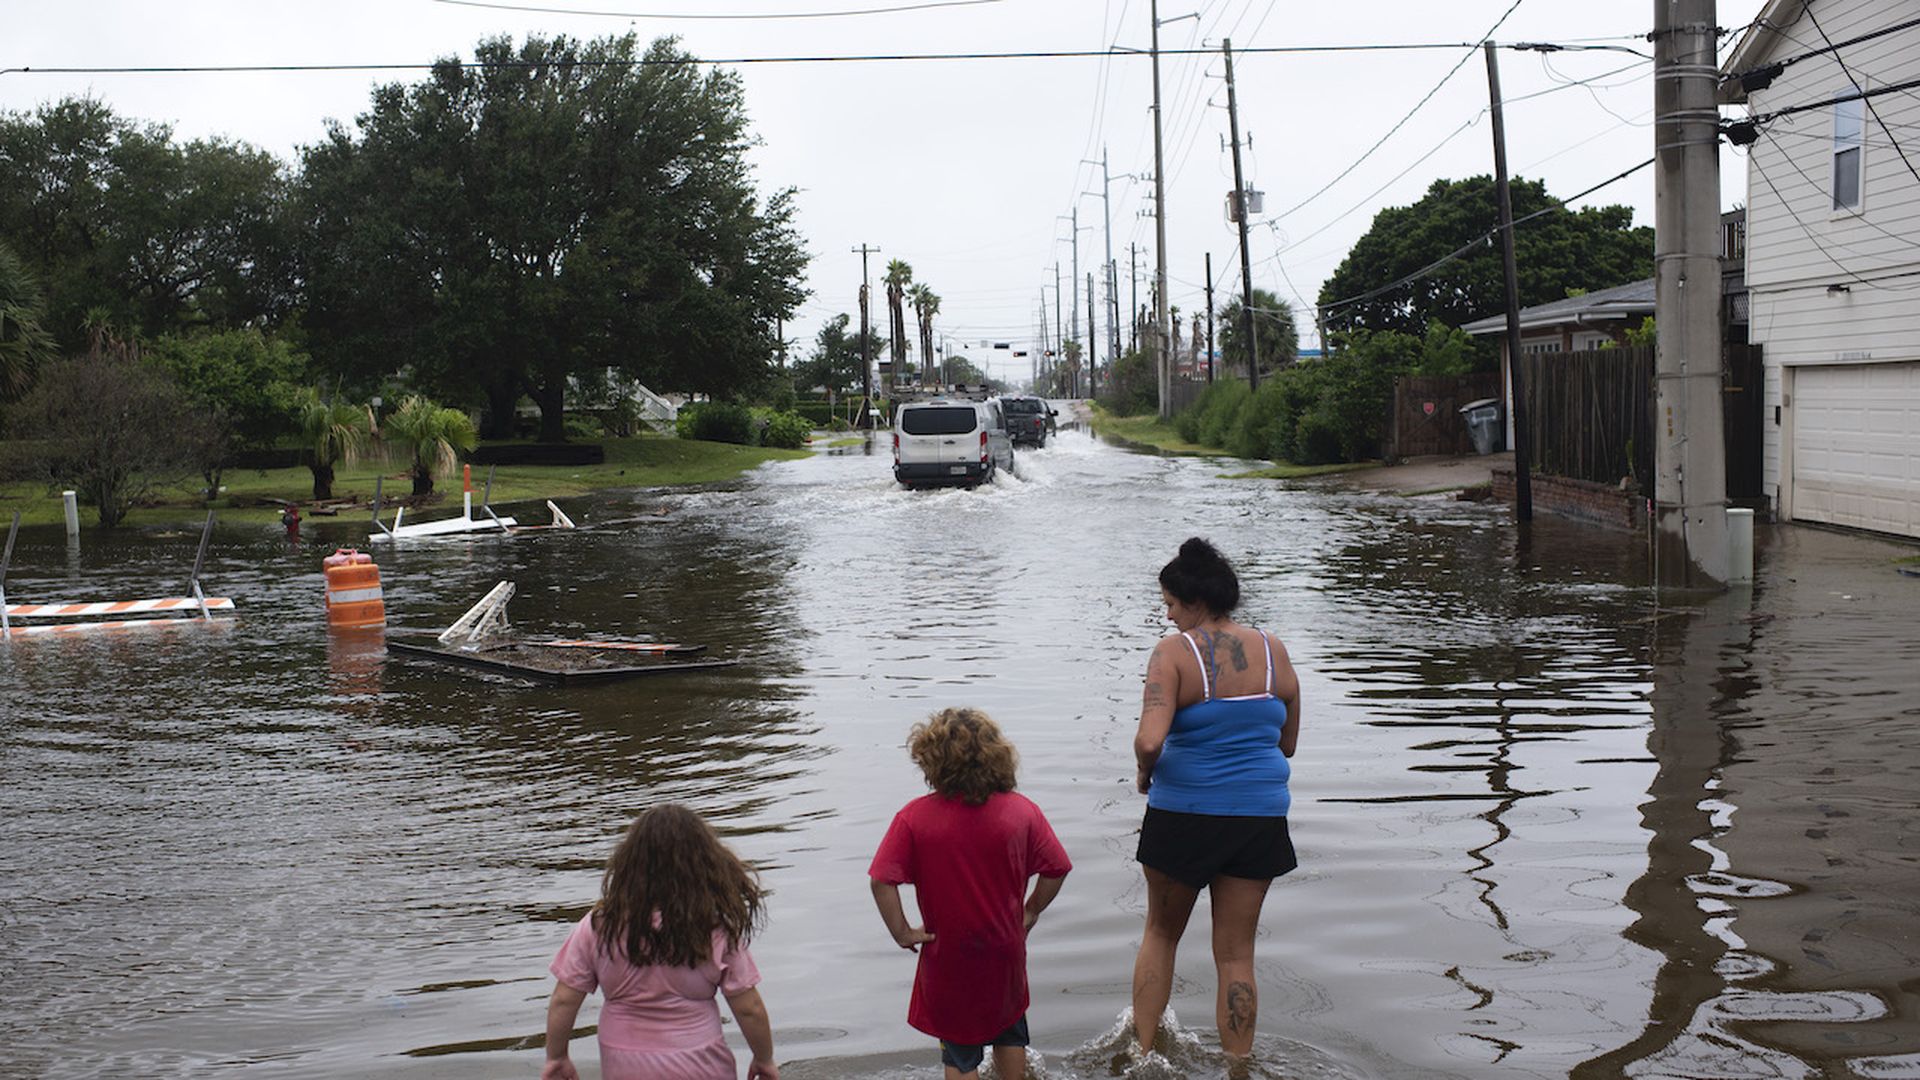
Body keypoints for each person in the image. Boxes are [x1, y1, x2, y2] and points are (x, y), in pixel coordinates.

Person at [1130, 537, 1302, 1066]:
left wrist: (1143, 775)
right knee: (1236, 955)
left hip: (1185, 814)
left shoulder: (1173, 652)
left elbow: (1150, 740)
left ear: (1193, 601)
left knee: (1161, 933)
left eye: (1170, 603)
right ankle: (1238, 1066)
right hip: (1259, 816)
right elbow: (1287, 741)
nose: (1168, 613)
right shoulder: (1273, 650)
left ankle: (1140, 1057)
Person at [869, 708, 1072, 1080]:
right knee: (1010, 1036)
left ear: (931, 761)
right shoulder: (1022, 812)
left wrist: (902, 932)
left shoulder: (914, 819)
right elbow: (1057, 868)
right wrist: (1031, 911)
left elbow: (882, 880)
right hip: (1005, 952)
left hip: (949, 958)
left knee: (960, 1058)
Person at [541, 804, 778, 1080]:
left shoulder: (600, 925)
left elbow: (564, 1000)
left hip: (626, 1065)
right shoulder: (713, 928)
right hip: (700, 1065)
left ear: (629, 863)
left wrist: (556, 1056)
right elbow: (749, 1008)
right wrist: (764, 1058)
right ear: (704, 864)